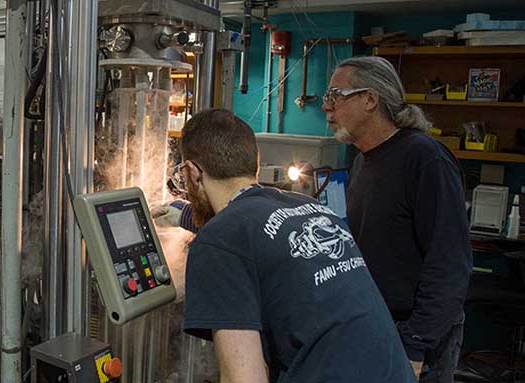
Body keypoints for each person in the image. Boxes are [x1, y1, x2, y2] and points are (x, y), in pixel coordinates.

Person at [170, 108, 416, 382]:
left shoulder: (219, 238)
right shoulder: (309, 207)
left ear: (191, 172)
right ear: (254, 162)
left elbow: (245, 378)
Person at [321, 56, 472, 382]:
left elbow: (449, 263)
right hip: (377, 323)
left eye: (335, 96)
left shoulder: (424, 157)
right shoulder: (364, 161)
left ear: (370, 99)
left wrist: (416, 343)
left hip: (416, 334)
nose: (327, 109)